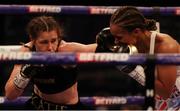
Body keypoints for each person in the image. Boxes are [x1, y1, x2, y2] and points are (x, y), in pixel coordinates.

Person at [4, 16, 97, 110]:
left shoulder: (66, 50)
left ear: (59, 37)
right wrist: (24, 75)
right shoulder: (26, 53)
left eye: (53, 41)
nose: (50, 47)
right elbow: (10, 95)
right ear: (33, 40)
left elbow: (98, 49)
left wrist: (109, 40)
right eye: (44, 42)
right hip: (36, 105)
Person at [108, 6, 180, 110]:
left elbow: (166, 93)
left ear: (136, 32)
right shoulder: (132, 43)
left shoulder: (165, 46)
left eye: (119, 37)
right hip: (164, 101)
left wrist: (134, 71)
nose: (116, 42)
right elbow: (89, 49)